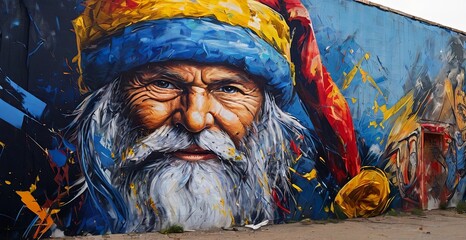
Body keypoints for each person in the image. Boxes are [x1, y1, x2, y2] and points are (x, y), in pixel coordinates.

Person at [59, 0, 388, 235]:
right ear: (113, 101)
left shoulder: (309, 200)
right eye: (163, 84)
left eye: (228, 89)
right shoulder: (52, 212)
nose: (196, 120)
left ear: (264, 112)